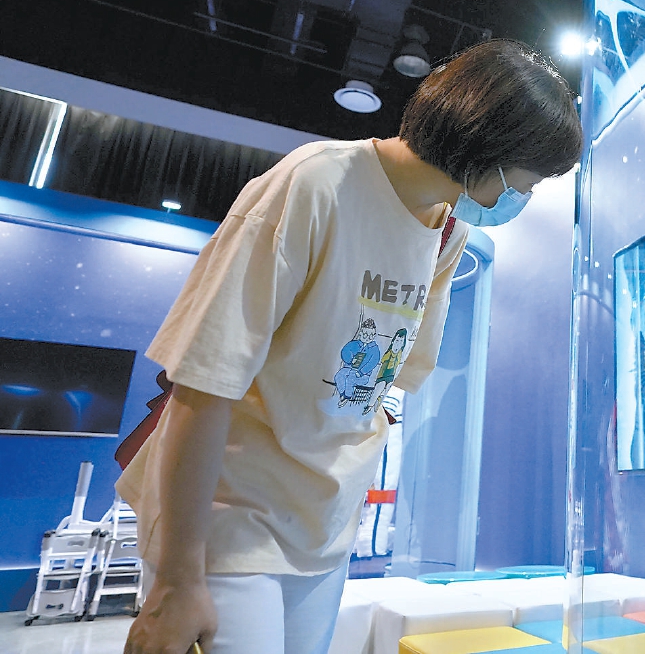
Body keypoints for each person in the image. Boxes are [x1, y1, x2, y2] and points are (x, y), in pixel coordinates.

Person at [118, 39, 583, 654]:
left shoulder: (447, 231)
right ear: (492, 147)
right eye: (532, 177)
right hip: (230, 512)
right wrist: (179, 579)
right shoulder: (316, 184)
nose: (528, 192)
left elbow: (386, 383)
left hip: (323, 525)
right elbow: (204, 380)